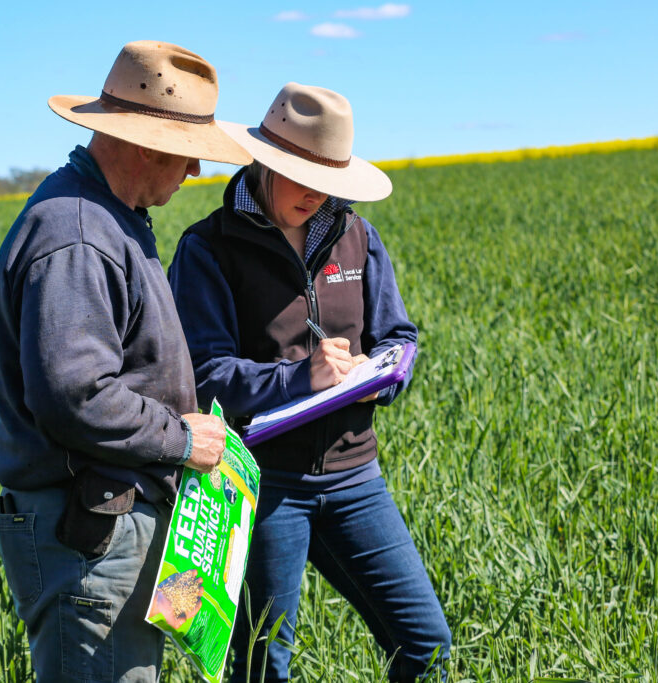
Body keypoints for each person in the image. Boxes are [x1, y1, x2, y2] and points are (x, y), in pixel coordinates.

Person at [167, 83, 451, 682]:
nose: (314, 193)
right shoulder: (208, 249)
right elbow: (205, 375)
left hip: (356, 477)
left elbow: (398, 334)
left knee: (425, 646)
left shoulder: (358, 237)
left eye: (327, 179)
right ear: (264, 160)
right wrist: (304, 376)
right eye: (299, 174)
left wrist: (384, 375)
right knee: (263, 664)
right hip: (261, 488)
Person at [0, 40, 252, 682]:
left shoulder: (109, 216)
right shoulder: (78, 234)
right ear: (144, 144)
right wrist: (182, 436)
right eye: (189, 152)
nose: (193, 172)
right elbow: (76, 394)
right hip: (88, 533)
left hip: (102, 523)